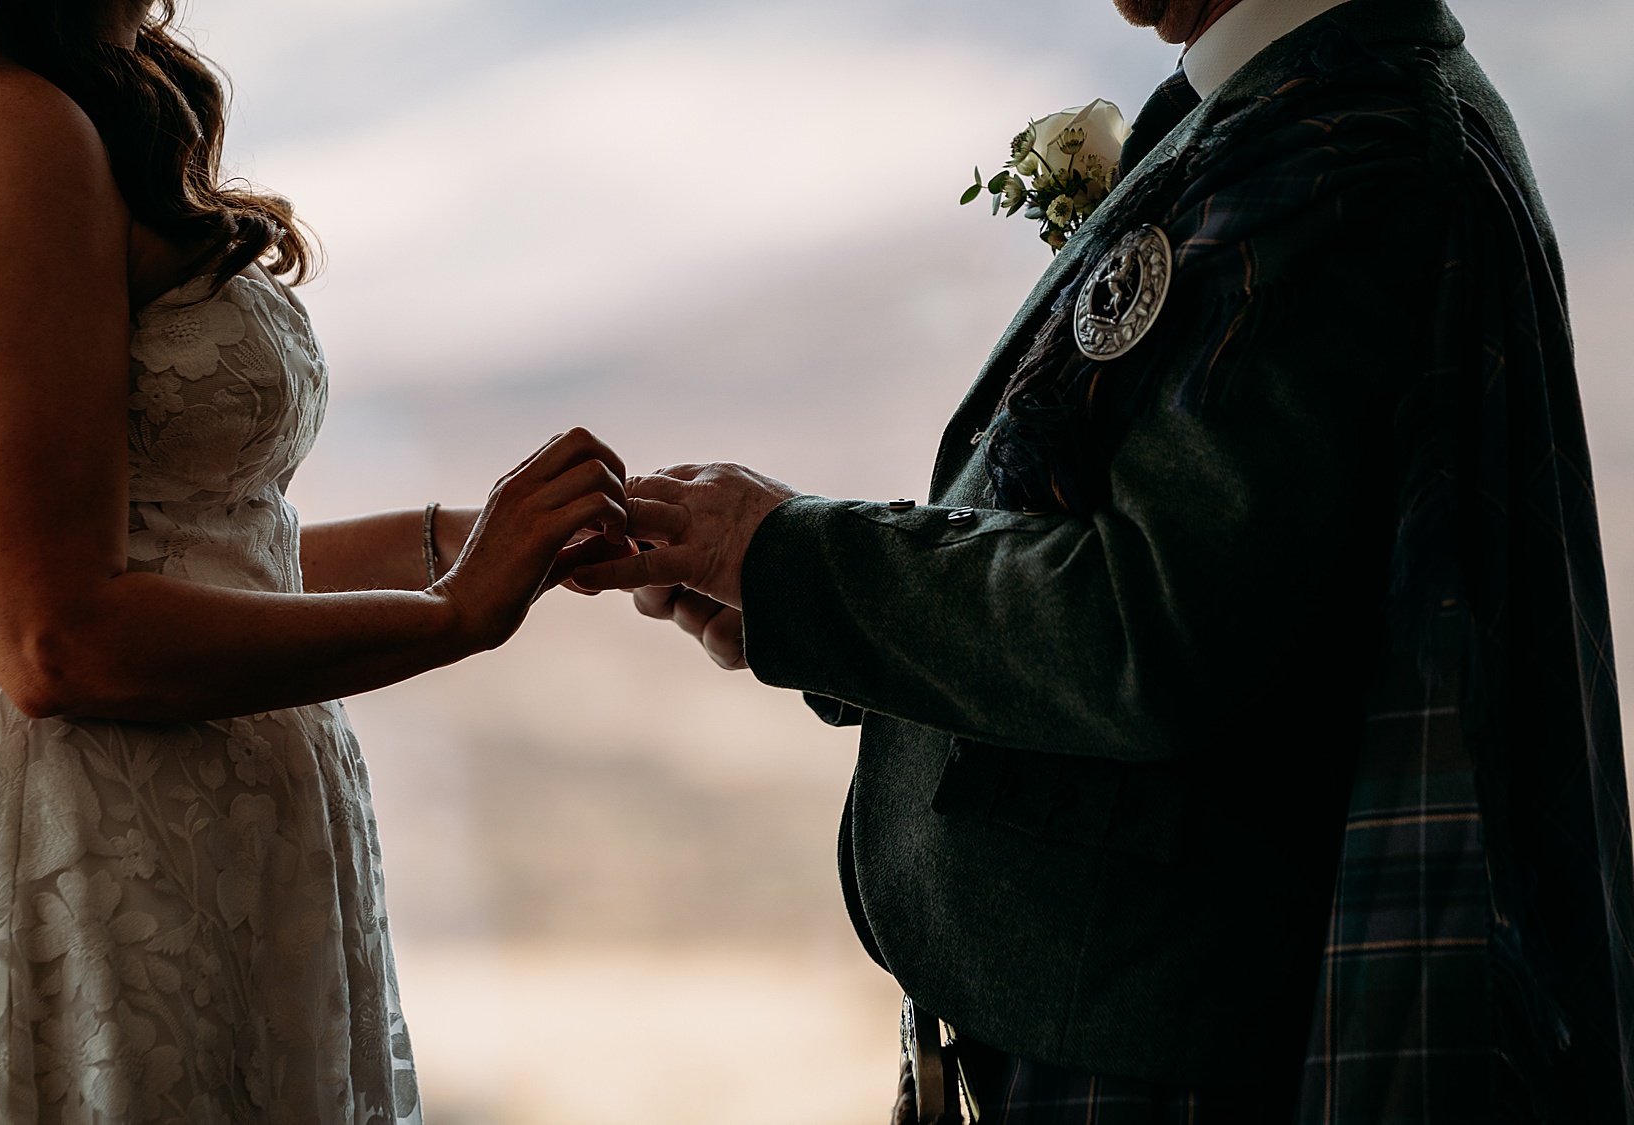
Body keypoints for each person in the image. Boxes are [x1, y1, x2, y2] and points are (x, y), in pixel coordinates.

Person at [575, 0, 1634, 1119]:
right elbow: (1204, 577)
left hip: (1165, 1062)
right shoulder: (1294, 107)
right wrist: (802, 598)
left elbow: (1151, 631)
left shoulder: (1343, 157)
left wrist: (796, 560)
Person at [0, 1, 630, 1122]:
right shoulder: (10, 129)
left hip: (183, 851)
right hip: (79, 855)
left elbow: (193, 561)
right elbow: (53, 638)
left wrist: (477, 543)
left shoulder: (51, 108)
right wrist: (453, 616)